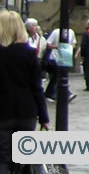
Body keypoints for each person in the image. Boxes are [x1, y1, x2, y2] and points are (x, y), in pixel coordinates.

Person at [0, 10, 50, 173]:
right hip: (27, 113)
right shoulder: (29, 53)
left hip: (3, 114)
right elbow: (37, 88)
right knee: (25, 158)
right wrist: (44, 117)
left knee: (2, 158)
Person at [44, 23, 78, 103]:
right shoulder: (56, 32)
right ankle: (65, 94)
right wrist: (57, 47)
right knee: (58, 76)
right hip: (54, 58)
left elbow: (74, 43)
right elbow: (48, 44)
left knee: (60, 77)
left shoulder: (71, 32)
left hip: (66, 57)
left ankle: (51, 94)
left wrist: (69, 47)